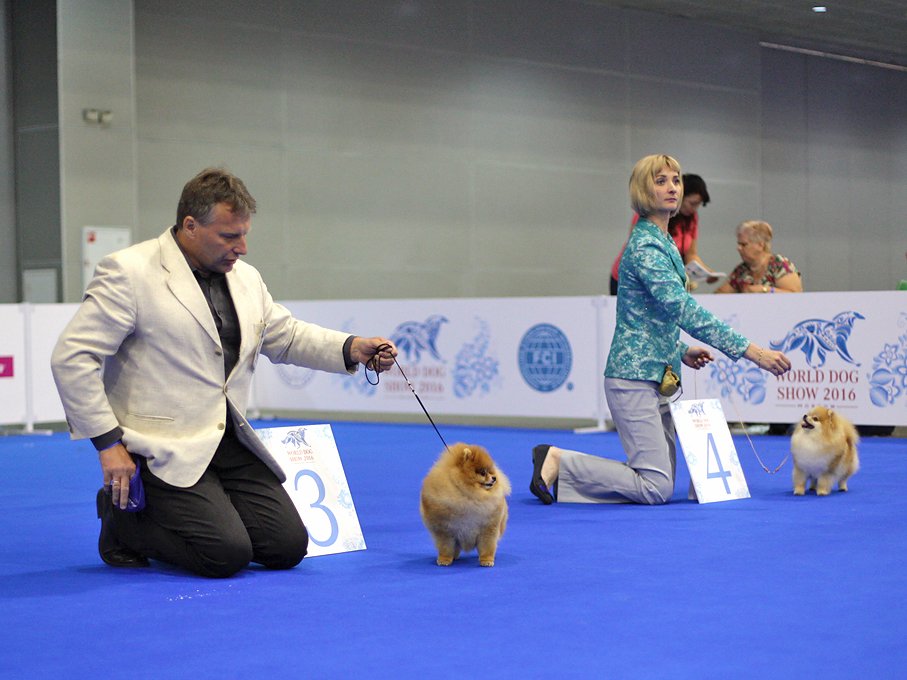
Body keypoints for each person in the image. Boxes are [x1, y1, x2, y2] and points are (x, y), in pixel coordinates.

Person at [51, 167, 398, 577]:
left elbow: (285, 336)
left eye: (244, 234)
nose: (243, 248)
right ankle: (123, 524)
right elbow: (72, 357)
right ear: (190, 226)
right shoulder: (129, 272)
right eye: (230, 236)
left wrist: (351, 347)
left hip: (228, 441)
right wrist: (108, 444)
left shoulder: (246, 278)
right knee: (225, 555)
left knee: (286, 547)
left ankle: (210, 512)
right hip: (161, 447)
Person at [530, 155, 791, 506]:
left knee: (657, 479)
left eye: (676, 180)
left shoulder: (665, 242)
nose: (672, 187)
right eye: (661, 181)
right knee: (655, 487)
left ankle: (562, 473)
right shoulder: (645, 246)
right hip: (633, 377)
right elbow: (682, 308)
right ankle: (557, 460)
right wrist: (753, 352)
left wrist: (681, 350)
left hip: (658, 374)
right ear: (643, 190)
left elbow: (648, 315)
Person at [609, 173, 717, 295]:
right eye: (692, 203)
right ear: (681, 196)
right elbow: (639, 252)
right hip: (632, 279)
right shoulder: (649, 211)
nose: (694, 209)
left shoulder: (691, 218)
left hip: (662, 280)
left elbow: (690, 254)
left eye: (698, 204)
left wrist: (707, 273)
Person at [714, 220, 802, 294]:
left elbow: (795, 295)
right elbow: (720, 294)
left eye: (744, 244)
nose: (738, 248)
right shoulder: (741, 271)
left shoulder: (779, 265)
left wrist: (765, 290)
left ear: (760, 245)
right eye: (738, 244)